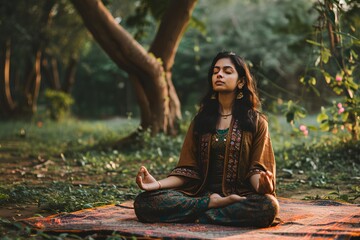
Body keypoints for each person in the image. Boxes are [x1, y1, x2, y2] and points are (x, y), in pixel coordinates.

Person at [134, 51, 279, 228]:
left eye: (227, 71)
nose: (219, 74)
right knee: (144, 202)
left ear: (241, 81)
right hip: (201, 196)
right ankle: (213, 206)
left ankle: (199, 214)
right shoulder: (201, 121)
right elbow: (187, 171)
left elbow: (257, 170)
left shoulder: (256, 122)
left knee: (267, 206)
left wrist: (262, 187)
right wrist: (156, 184)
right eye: (215, 71)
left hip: (239, 197)